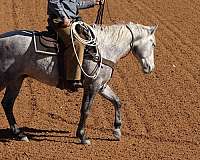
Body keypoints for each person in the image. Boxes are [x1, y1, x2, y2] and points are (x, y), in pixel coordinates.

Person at [47, 0, 103, 91]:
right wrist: (63, 17)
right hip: (59, 20)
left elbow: (76, 4)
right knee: (77, 43)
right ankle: (72, 80)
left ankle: (85, 72)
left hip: (72, 21)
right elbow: (53, 2)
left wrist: (94, 2)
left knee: (89, 39)